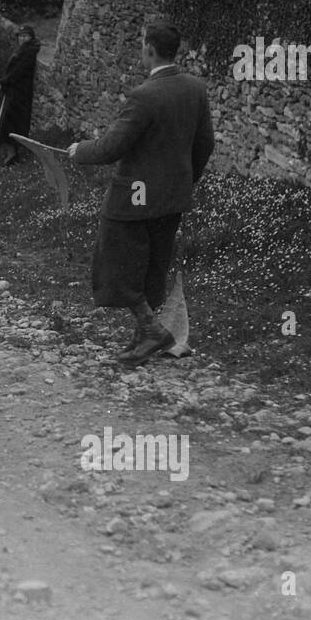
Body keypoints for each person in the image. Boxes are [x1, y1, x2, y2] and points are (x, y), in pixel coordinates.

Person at [67, 22, 214, 367]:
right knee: (154, 265)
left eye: (141, 46)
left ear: (149, 49)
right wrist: (184, 181)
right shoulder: (195, 88)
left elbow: (111, 147)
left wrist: (79, 150)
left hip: (134, 196)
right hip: (173, 197)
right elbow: (205, 143)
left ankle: (151, 330)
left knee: (114, 261)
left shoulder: (144, 95)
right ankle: (142, 339)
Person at [0, 25, 40, 166]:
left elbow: (19, 71)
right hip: (14, 91)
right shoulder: (23, 50)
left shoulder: (29, 52)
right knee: (9, 123)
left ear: (31, 37)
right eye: (20, 36)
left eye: (25, 36)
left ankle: (12, 155)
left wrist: (4, 82)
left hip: (20, 93)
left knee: (11, 123)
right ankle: (11, 154)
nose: (22, 38)